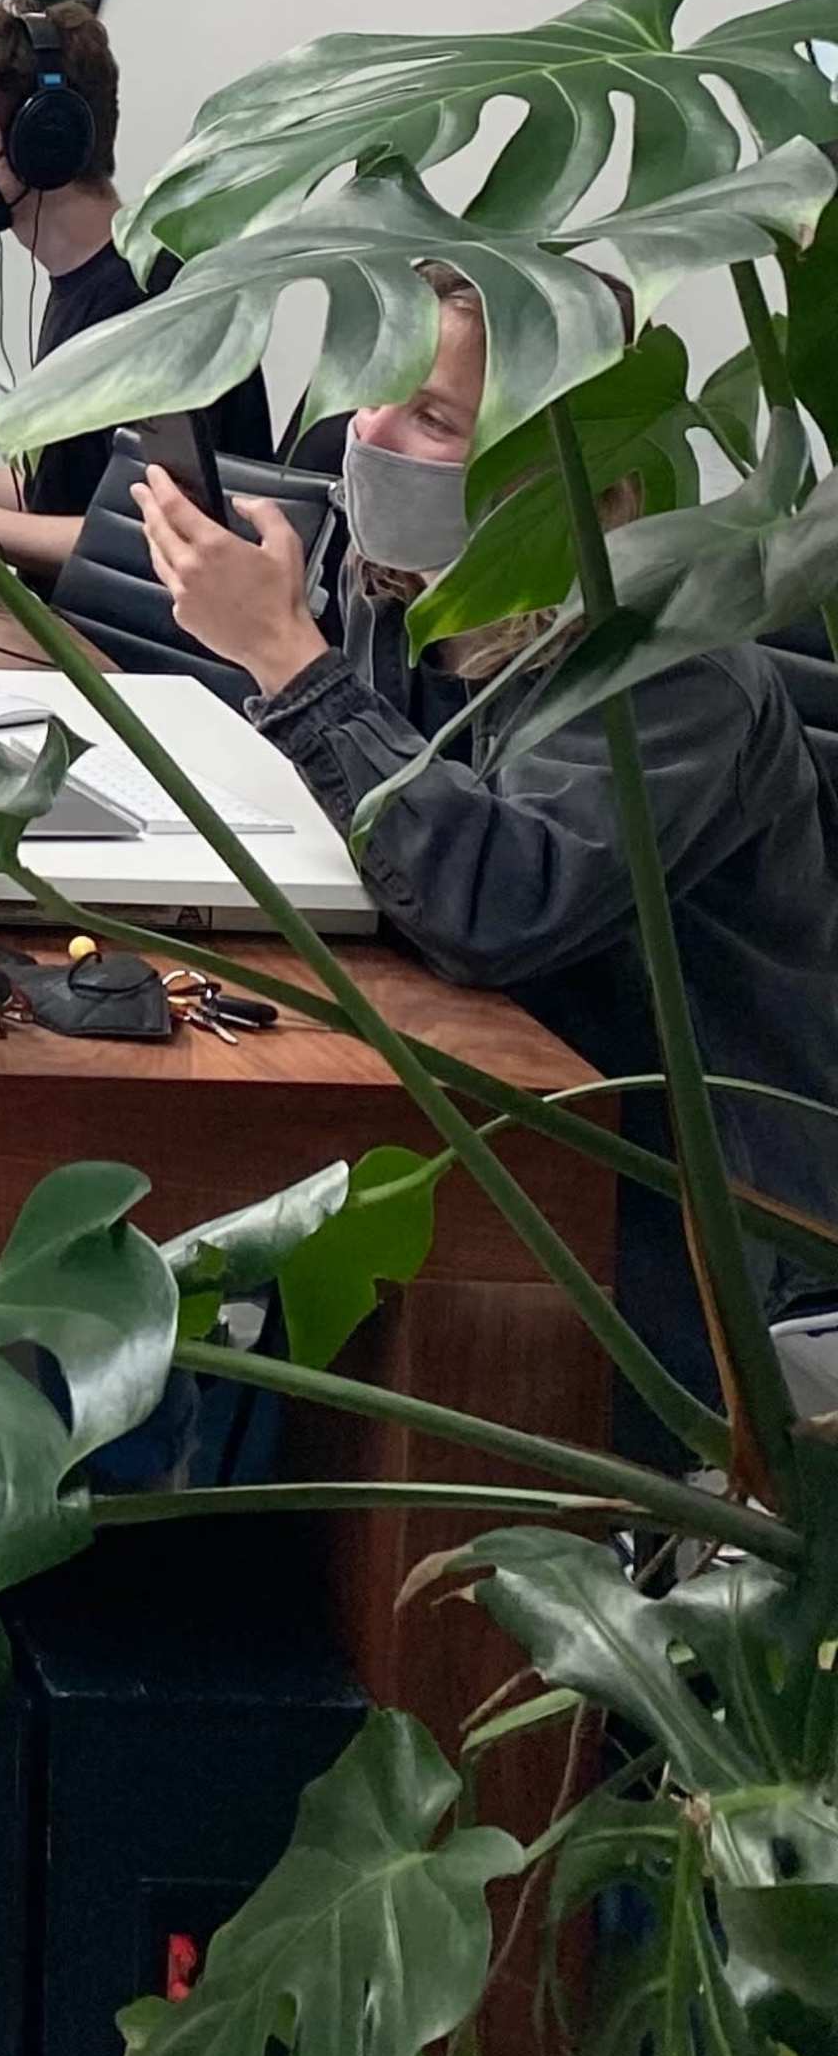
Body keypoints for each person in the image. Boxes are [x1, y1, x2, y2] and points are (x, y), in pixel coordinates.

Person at [136, 278, 838, 1396]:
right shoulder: (402, 586)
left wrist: (287, 660)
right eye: (376, 392)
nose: (368, 431)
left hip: (676, 1206)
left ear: (555, 467)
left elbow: (495, 903)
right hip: (481, 1095)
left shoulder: (664, 653)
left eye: (435, 417)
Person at [0, 0, 275, 586]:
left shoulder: (151, 303)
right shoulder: (82, 280)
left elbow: (163, 537)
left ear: (46, 144)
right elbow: (67, 497)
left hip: (137, 666)